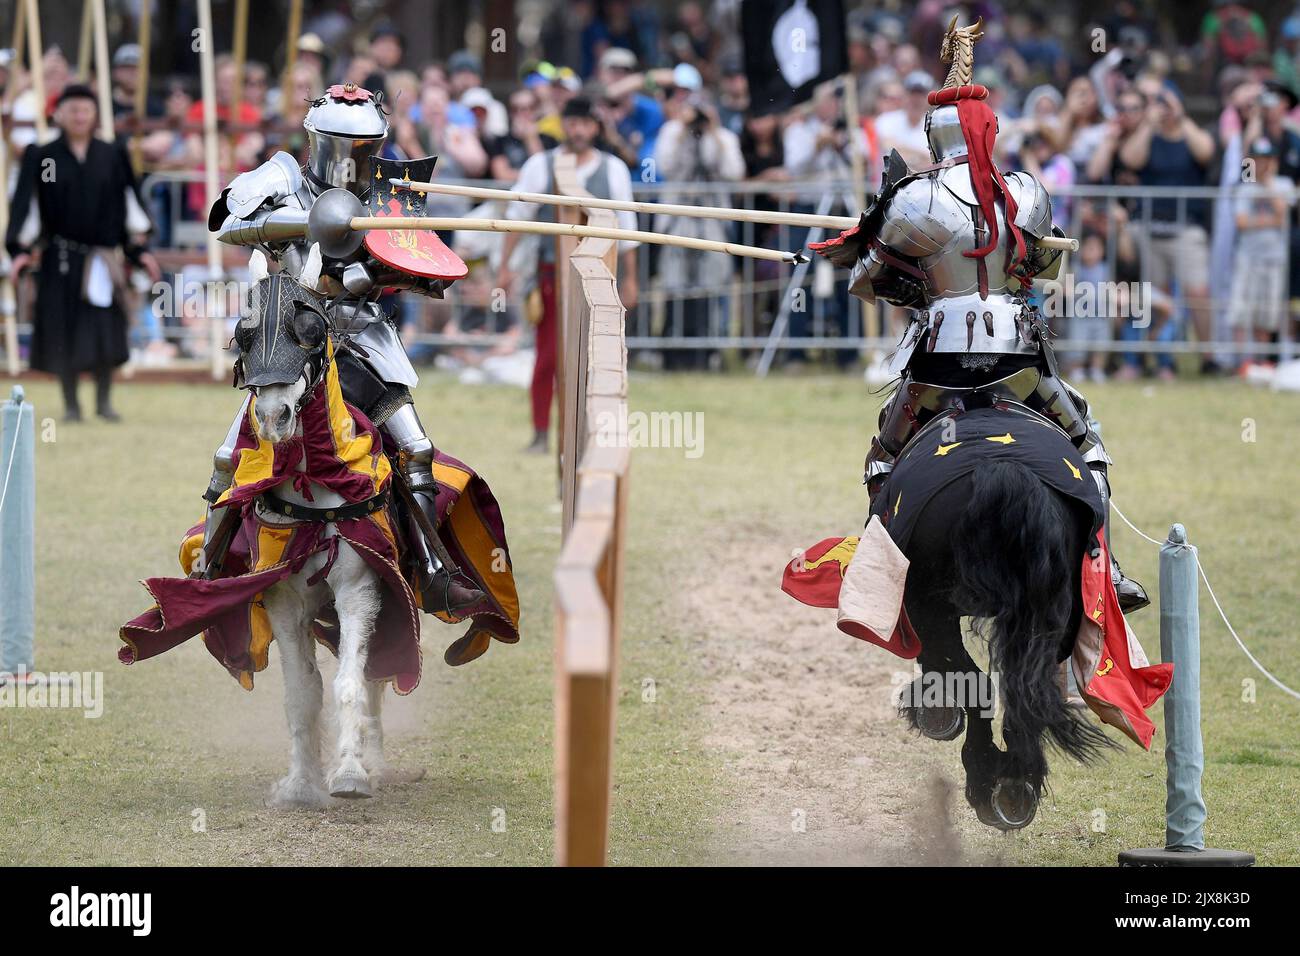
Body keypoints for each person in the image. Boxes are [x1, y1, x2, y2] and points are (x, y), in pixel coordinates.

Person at [810, 24, 1148, 612]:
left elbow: (870, 279)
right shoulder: (1023, 191)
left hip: (939, 358)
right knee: (1085, 441)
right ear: (989, 129)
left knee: (887, 454)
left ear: (934, 135)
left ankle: (877, 576)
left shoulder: (915, 198)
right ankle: (1106, 569)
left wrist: (877, 257)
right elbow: (1040, 269)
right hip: (1019, 353)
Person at [202, 82, 483, 615]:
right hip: (291, 336)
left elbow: (420, 266)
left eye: (365, 148)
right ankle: (211, 571)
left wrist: (377, 271)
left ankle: (431, 571)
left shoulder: (389, 191)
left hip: (361, 336)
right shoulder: (282, 176)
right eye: (342, 145)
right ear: (317, 139)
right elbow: (227, 223)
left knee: (416, 449)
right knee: (228, 456)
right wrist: (303, 224)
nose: (354, 159)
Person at [5, 85, 160, 421]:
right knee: (63, 330)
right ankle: (71, 406)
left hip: (102, 259)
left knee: (104, 328)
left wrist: (138, 250)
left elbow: (130, 207)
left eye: (85, 110)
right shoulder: (43, 156)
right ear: (58, 114)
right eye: (72, 110)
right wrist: (19, 250)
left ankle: (104, 403)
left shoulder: (112, 155)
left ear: (94, 116)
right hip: (59, 259)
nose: (79, 116)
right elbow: (26, 209)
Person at [495, 96, 639, 454]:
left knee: (598, 358)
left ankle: (590, 432)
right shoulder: (539, 165)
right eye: (572, 122)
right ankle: (542, 432)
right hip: (552, 275)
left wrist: (631, 280)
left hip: (601, 277)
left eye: (585, 123)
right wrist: (504, 269)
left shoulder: (615, 169)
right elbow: (517, 219)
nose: (578, 130)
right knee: (548, 356)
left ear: (595, 127)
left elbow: (629, 229)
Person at [1118, 83, 1219, 374]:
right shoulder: (1149, 137)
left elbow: (1207, 152)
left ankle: (1208, 357)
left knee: (1197, 292)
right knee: (1157, 298)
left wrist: (1181, 115)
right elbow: (1130, 159)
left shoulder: (1190, 133)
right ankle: (1163, 359)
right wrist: (1149, 124)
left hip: (1187, 228)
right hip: (1152, 227)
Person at [1229, 137, 1292, 371]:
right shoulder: (1245, 186)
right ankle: (1242, 363)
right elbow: (1242, 222)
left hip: (1274, 258)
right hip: (1248, 257)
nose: (1262, 164)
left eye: (1267, 159)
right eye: (1258, 159)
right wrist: (1270, 220)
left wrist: (1267, 185)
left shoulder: (1282, 184)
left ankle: (1263, 362)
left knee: (1266, 314)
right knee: (1241, 311)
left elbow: (1282, 214)